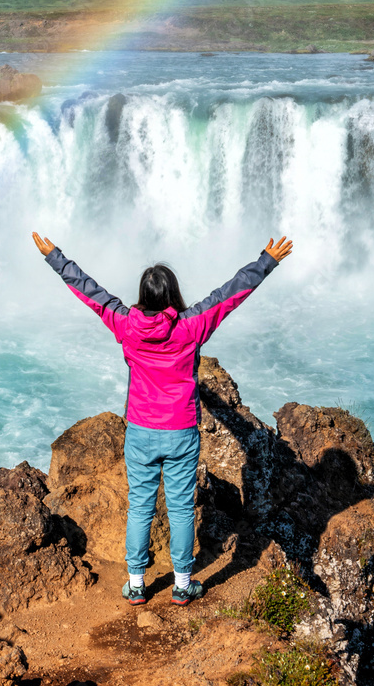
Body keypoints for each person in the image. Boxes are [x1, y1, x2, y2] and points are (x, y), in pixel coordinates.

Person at [32, 231, 293, 607]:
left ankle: (136, 585)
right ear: (172, 295)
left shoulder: (126, 324)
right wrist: (266, 261)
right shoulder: (191, 326)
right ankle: (182, 584)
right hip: (181, 432)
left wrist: (55, 257)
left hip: (140, 430)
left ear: (143, 295)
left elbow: (91, 292)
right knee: (182, 508)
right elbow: (230, 295)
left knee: (140, 506)